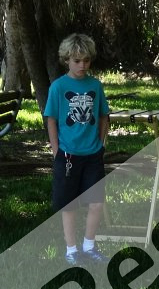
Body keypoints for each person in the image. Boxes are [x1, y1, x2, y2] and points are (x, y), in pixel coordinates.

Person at [44, 33, 111, 266]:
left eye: (86, 60)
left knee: (96, 203)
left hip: (92, 155)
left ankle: (89, 246)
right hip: (68, 156)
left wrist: (101, 143)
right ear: (67, 60)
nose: (82, 65)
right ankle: (71, 249)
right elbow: (51, 119)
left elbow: (103, 115)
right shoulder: (58, 87)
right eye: (77, 61)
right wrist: (56, 150)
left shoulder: (95, 86)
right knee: (69, 205)